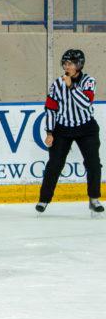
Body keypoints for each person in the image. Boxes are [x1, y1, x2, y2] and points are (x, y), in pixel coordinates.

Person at [37, 49, 103, 215]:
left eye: (71, 64)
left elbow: (86, 103)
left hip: (86, 128)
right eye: (65, 64)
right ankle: (44, 199)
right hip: (63, 129)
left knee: (93, 163)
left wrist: (71, 87)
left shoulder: (89, 81)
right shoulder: (56, 85)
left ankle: (94, 199)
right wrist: (50, 132)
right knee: (54, 165)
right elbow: (51, 109)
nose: (67, 67)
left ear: (79, 65)